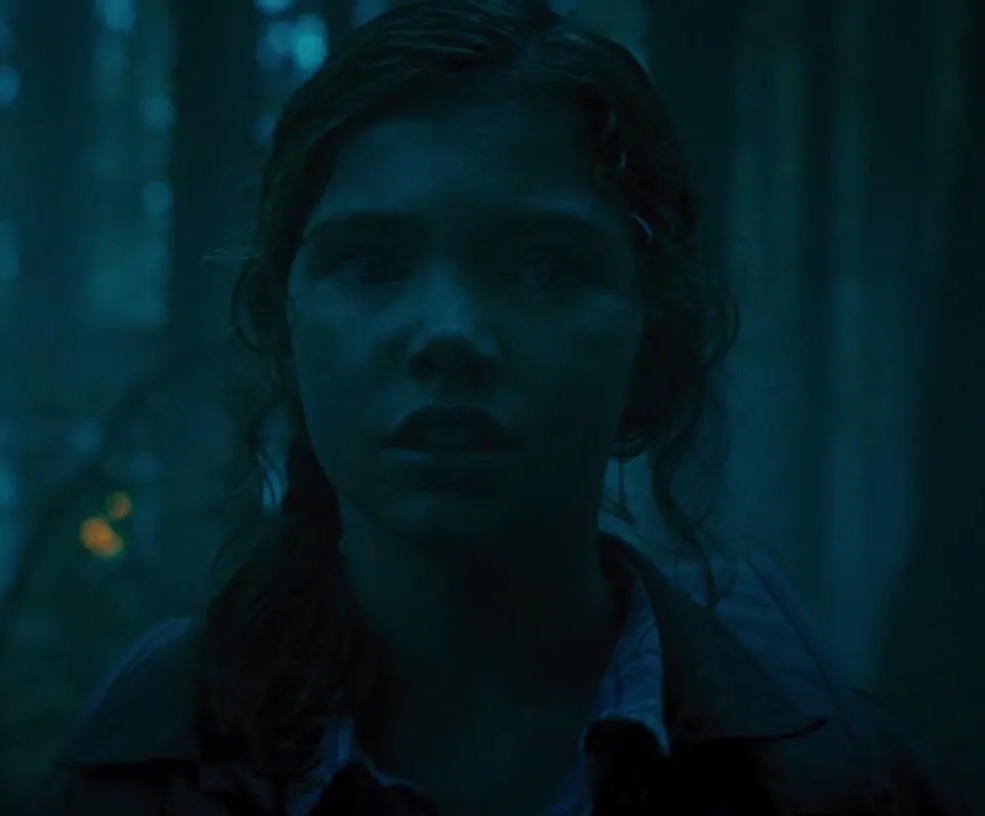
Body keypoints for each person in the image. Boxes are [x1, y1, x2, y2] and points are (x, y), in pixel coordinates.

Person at [23, 1, 975, 814]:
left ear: (653, 333)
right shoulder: (133, 772)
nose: (450, 333)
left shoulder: (838, 781)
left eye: (542, 268)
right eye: (371, 263)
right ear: (283, 325)